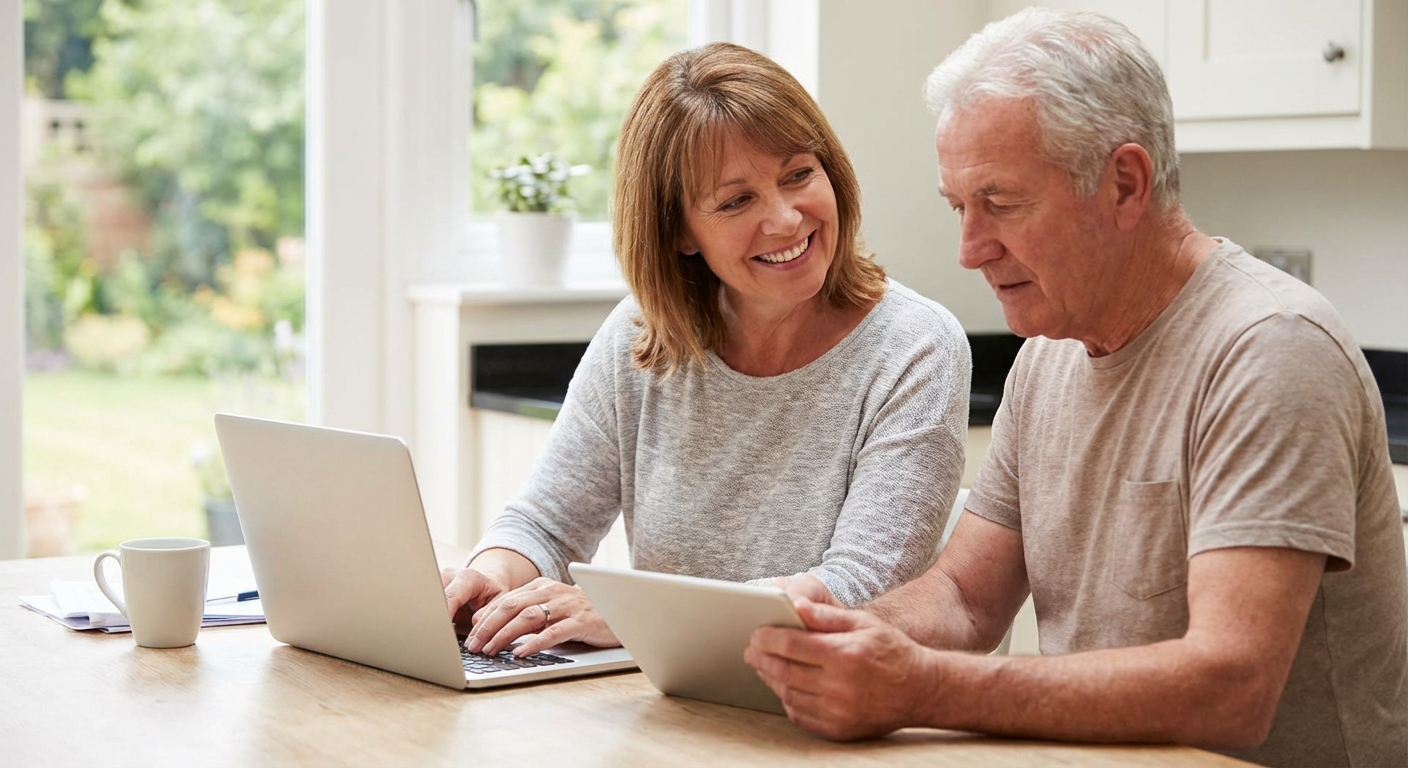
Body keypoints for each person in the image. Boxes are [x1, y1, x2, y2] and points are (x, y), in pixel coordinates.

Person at [745, 9, 1407, 767]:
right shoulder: (1048, 358)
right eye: (958, 206)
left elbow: (1233, 685)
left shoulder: (1269, 350)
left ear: (1124, 183)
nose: (969, 249)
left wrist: (924, 687)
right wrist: (826, 636)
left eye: (1002, 202)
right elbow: (964, 598)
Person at [442, 42, 970, 662]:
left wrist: (639, 611)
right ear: (679, 233)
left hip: (821, 715)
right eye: (736, 200)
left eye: (799, 173)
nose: (785, 218)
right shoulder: (642, 338)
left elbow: (858, 587)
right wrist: (492, 573)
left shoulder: (915, 347)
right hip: (678, 703)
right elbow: (546, 523)